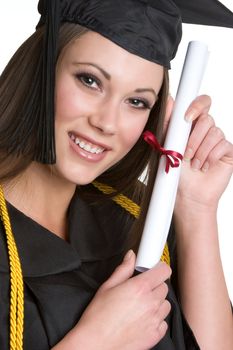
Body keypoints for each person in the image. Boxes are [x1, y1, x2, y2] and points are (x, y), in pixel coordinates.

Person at [0, 1, 232, 349]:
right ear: (40, 69)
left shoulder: (135, 219)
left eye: (137, 102)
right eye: (90, 80)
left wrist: (196, 207)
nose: (107, 123)